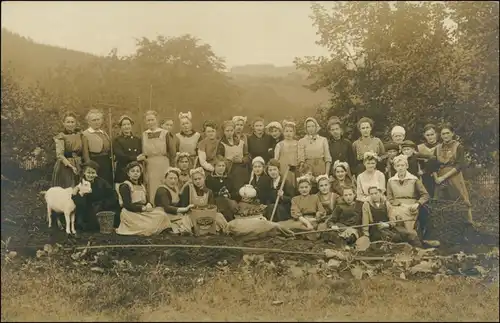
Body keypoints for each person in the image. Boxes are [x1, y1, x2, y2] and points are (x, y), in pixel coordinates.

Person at [432, 123, 473, 225]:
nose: (445, 136)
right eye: (443, 134)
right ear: (440, 135)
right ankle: (442, 224)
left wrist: (444, 177)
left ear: (452, 133)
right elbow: (432, 164)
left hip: (454, 175)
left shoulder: (458, 146)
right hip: (440, 175)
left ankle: (466, 223)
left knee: (461, 198)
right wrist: (437, 178)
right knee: (439, 200)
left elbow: (459, 165)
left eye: (447, 133)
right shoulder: (437, 148)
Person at [115, 162, 172, 236]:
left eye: (137, 171)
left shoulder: (142, 186)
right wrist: (142, 208)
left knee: (162, 214)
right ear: (128, 173)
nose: (135, 173)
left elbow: (146, 200)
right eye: (133, 171)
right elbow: (127, 205)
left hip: (142, 211)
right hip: (130, 213)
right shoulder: (125, 186)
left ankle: (163, 229)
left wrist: (149, 204)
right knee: (147, 228)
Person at [386, 154, 431, 247]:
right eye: (398, 166)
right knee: (395, 218)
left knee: (407, 221)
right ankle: (400, 243)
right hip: (396, 206)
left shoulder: (414, 179)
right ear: (394, 167)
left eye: (403, 165)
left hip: (411, 206)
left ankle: (415, 243)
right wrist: (398, 204)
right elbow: (390, 198)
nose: (400, 168)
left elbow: (425, 195)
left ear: (407, 166)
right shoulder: (391, 181)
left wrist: (418, 204)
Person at [71, 161, 120, 232]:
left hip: (100, 208)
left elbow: (113, 196)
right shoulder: (79, 183)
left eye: (93, 173)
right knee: (84, 224)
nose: (90, 175)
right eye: (88, 173)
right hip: (84, 209)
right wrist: (81, 194)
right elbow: (74, 199)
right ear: (84, 173)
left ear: (96, 174)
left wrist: (102, 204)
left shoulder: (102, 183)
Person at [179, 167, 228, 233]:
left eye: (199, 179)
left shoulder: (209, 191)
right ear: (192, 180)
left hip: (206, 215)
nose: (197, 181)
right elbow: (184, 206)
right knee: (185, 221)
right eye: (195, 179)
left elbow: (212, 207)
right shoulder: (188, 189)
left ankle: (223, 231)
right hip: (192, 214)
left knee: (219, 216)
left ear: (204, 178)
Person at [142, 110, 176, 204]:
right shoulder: (144, 134)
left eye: (152, 119)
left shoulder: (165, 133)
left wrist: (172, 167)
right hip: (150, 165)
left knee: (164, 184)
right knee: (152, 187)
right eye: (148, 120)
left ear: (157, 120)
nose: (150, 122)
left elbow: (172, 152)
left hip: (163, 163)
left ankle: (167, 206)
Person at [52, 112, 88, 188]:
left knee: (79, 187)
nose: (70, 124)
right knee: (67, 188)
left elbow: (84, 151)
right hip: (66, 166)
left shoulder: (80, 135)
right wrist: (71, 166)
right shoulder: (61, 136)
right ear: (64, 123)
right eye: (68, 122)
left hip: (79, 163)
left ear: (76, 123)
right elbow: (60, 155)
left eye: (72, 122)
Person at [154, 167, 194, 234]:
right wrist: (185, 209)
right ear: (165, 179)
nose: (173, 181)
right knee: (183, 220)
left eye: (175, 178)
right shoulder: (162, 190)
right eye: (170, 178)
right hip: (163, 213)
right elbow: (166, 207)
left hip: (171, 213)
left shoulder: (175, 188)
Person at [217, 120, 250, 191]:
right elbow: (219, 157)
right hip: (229, 170)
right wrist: (228, 160)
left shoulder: (241, 143)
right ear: (224, 131)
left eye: (231, 130)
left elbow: (247, 156)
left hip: (241, 169)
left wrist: (241, 160)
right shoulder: (221, 144)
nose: (229, 133)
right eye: (227, 131)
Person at [82, 109, 113, 185]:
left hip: (106, 162)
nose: (96, 122)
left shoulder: (103, 133)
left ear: (101, 120)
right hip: (94, 162)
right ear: (89, 122)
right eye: (94, 120)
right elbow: (85, 153)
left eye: (98, 119)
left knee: (107, 183)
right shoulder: (85, 134)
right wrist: (89, 166)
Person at [206, 156, 239, 221]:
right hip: (215, 203)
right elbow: (208, 193)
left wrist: (228, 194)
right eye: (219, 166)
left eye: (223, 166)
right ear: (214, 167)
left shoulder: (229, 178)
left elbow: (235, 193)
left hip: (229, 202)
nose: (221, 168)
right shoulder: (209, 178)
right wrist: (219, 193)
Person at [113, 115, 144, 185]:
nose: (126, 126)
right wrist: (135, 158)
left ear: (131, 125)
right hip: (123, 171)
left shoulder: (137, 139)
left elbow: (141, 154)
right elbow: (120, 156)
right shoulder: (117, 140)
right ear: (120, 127)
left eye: (128, 124)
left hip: (136, 172)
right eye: (124, 125)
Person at [274, 120, 299, 187]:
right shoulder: (279, 145)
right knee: (286, 185)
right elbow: (276, 160)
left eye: (291, 131)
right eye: (286, 131)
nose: (288, 133)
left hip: (295, 169)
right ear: (283, 132)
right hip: (283, 169)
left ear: (294, 133)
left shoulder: (298, 143)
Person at [417, 124, 439, 198]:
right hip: (424, 177)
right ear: (424, 135)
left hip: (439, 175)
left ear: (436, 134)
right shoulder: (419, 148)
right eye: (427, 135)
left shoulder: (441, 146)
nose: (430, 137)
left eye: (432, 134)